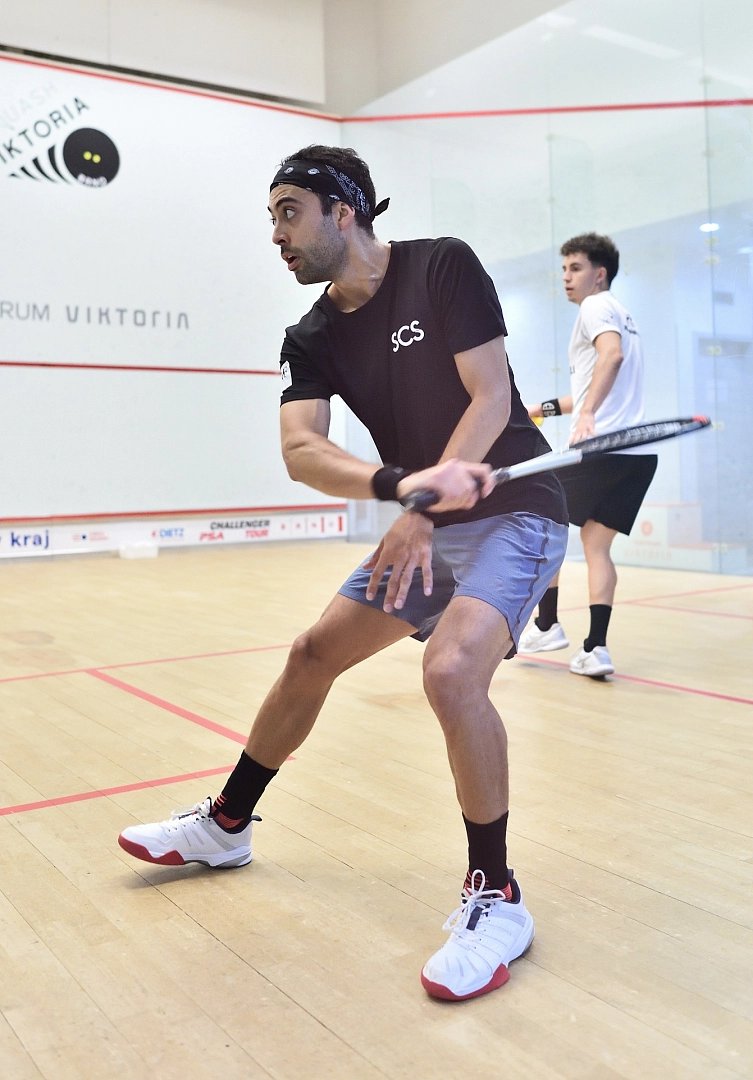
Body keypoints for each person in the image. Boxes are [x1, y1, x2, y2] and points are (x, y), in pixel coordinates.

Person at [117, 145, 568, 1002]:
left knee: (450, 671)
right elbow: (301, 450)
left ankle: (497, 896)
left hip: (517, 509)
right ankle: (228, 825)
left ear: (343, 211)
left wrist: (420, 506)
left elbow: (490, 396)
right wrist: (404, 490)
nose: (276, 234)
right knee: (312, 654)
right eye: (271, 218)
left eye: (289, 211)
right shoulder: (312, 336)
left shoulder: (442, 266)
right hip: (425, 521)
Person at [521, 233, 657, 677]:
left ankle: (547, 624)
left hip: (602, 448)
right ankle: (596, 648)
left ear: (599, 275)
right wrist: (541, 409)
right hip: (637, 455)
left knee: (541, 519)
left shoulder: (595, 306)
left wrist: (588, 415)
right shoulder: (622, 314)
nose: (566, 277)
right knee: (596, 545)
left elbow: (610, 358)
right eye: (563, 269)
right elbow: (586, 387)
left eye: (575, 268)